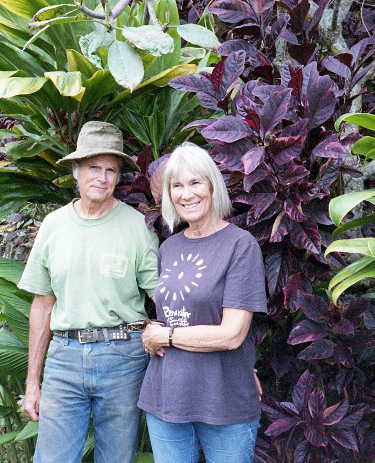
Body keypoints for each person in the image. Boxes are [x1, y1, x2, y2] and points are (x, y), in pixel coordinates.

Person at [17, 121, 159, 463]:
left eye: (111, 169)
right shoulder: (54, 225)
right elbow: (42, 306)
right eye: (94, 167)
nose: (102, 177)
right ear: (77, 171)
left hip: (123, 357)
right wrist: (32, 382)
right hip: (64, 358)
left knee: (116, 458)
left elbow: (164, 296)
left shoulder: (137, 226)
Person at [137, 142, 267, 463]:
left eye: (195, 182)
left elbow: (232, 334)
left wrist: (164, 336)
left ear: (212, 186)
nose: (186, 193)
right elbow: (172, 316)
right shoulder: (169, 248)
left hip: (223, 399)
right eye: (177, 185)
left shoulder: (240, 246)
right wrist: (150, 331)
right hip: (166, 395)